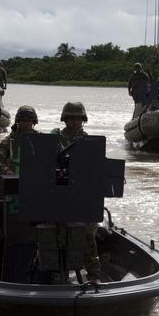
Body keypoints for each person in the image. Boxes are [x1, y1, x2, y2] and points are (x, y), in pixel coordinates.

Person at [52, 101, 101, 282]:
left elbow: (96, 169)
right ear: (65, 119)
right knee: (59, 235)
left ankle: (94, 274)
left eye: (78, 118)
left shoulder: (89, 141)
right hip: (60, 193)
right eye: (71, 118)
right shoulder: (55, 138)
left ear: (83, 119)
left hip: (82, 195)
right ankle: (60, 273)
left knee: (87, 235)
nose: (74, 122)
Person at [0, 105, 38, 175]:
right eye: (23, 120)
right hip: (14, 179)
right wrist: (6, 171)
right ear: (18, 122)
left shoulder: (40, 139)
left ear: (33, 122)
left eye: (29, 120)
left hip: (34, 177)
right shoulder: (10, 141)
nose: (26, 123)